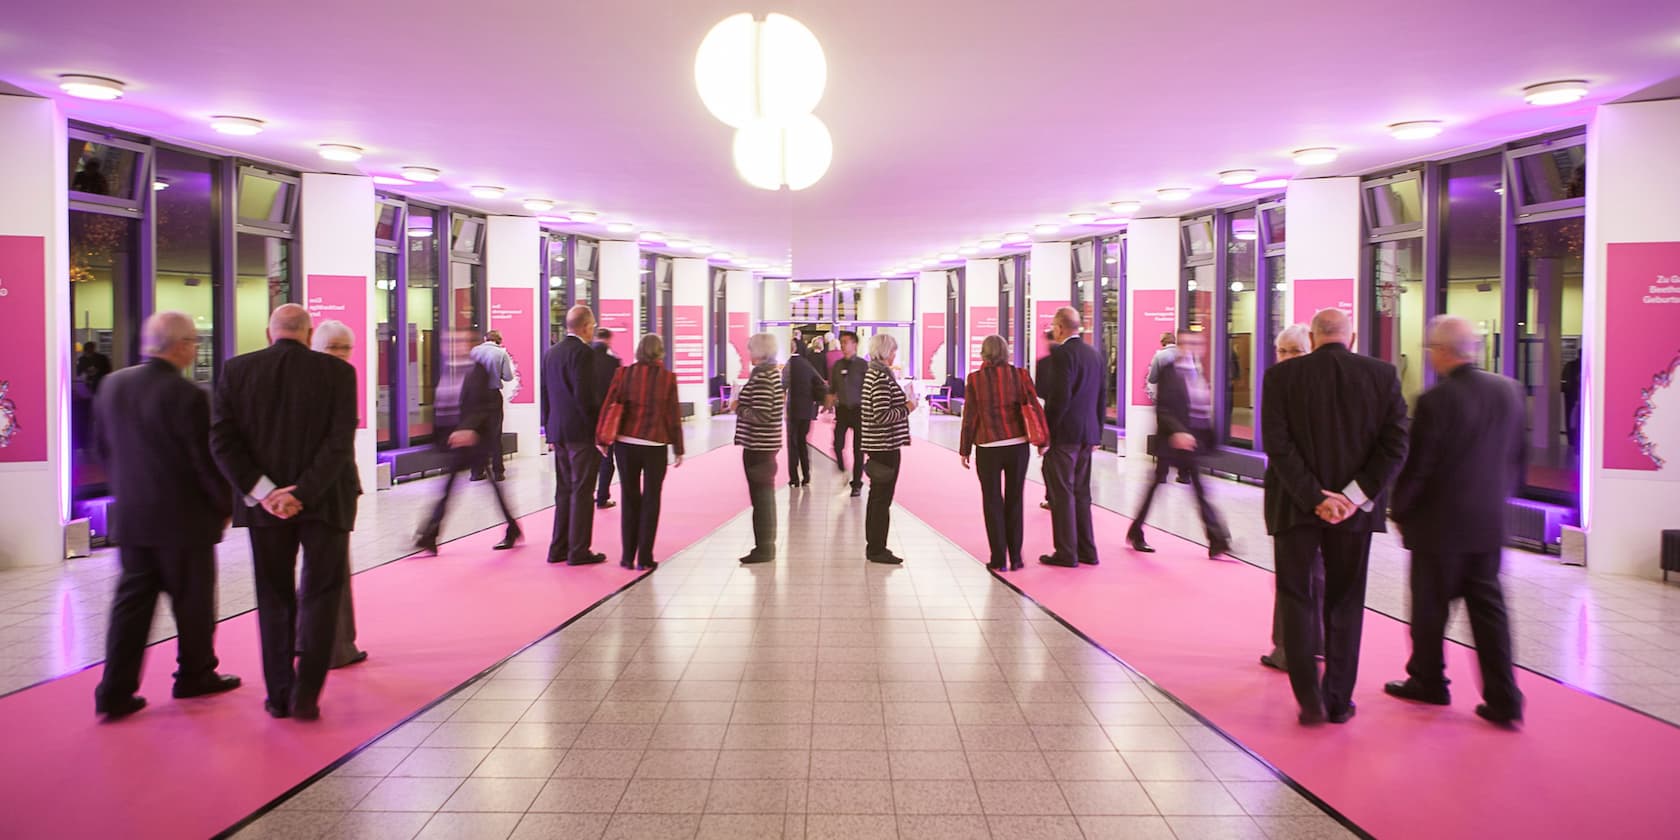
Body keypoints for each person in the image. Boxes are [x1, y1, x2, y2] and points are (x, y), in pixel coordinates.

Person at [1261, 308, 1408, 726]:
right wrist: (1351, 496)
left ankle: (1308, 697)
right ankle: (1339, 700)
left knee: (1295, 596)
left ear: (1312, 335)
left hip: (1294, 507)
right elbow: (1395, 446)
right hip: (1354, 515)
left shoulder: (1281, 378)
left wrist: (1313, 497)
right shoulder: (1382, 376)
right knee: (1345, 600)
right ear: (1353, 336)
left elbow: (1278, 445)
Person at [210, 304, 358, 721]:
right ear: (310, 335)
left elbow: (223, 442)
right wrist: (304, 492)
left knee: (273, 595)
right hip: (325, 502)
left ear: (268, 332)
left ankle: (278, 694)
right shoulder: (339, 374)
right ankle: (307, 694)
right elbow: (338, 442)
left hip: (264, 510)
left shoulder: (236, 371)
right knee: (322, 594)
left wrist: (267, 492)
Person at [92, 312, 240, 720]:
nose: (195, 349)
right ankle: (195, 674)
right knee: (193, 606)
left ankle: (114, 692)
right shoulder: (188, 395)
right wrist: (223, 505)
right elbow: (203, 461)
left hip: (133, 519)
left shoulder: (113, 385)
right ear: (178, 346)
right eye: (193, 342)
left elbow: (102, 448)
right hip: (184, 523)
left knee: (130, 609)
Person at [1384, 315, 1526, 728]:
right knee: (1490, 614)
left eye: (1431, 349)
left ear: (1443, 352)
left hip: (1438, 528)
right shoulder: (1510, 391)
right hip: (1487, 524)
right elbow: (1515, 458)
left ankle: (1428, 680)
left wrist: (1400, 509)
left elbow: (1420, 466)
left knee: (1429, 611)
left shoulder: (1435, 401)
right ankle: (1504, 699)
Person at [415, 328, 523, 554]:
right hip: (455, 438)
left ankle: (430, 534)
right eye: (448, 343)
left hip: (472, 438)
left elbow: (481, 405)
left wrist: (468, 429)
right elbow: (443, 405)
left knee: (453, 487)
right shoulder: (446, 371)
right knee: (468, 486)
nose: (451, 347)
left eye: (457, 342)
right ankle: (511, 526)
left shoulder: (477, 371)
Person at [1127, 328, 1232, 558]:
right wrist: (1178, 432)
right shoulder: (1168, 371)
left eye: (1195, 344)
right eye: (1185, 343)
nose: (1190, 348)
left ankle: (1217, 540)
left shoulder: (1198, 371)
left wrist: (1209, 439)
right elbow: (1163, 407)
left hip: (1191, 442)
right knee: (1157, 486)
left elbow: (1201, 408)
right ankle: (1136, 530)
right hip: (1171, 440)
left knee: (1199, 490)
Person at [1259, 325, 1320, 672]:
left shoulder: (1279, 385)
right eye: (1282, 351)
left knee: (1295, 577)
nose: (1286, 358)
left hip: (1295, 494)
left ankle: (1289, 648)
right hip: (1322, 495)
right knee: (1315, 573)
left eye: (1294, 351)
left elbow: (1279, 446)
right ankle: (1313, 642)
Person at [309, 321, 369, 669]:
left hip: (290, 493)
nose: (344, 356)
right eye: (341, 349)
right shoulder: (340, 379)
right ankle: (336, 646)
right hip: (328, 490)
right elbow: (338, 445)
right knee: (332, 574)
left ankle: (306, 639)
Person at [598, 334, 685, 571]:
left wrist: (602, 438)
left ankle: (627, 556)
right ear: (660, 352)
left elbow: (610, 404)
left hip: (626, 443)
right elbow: (672, 415)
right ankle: (645, 557)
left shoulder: (624, 374)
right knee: (651, 499)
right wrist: (678, 448)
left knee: (629, 496)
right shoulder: (668, 379)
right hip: (655, 445)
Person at [961, 335, 1040, 571]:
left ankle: (998, 558)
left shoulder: (975, 380)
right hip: (1017, 445)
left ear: (983, 353)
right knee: (1015, 498)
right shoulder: (1020, 375)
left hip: (988, 446)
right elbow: (1033, 406)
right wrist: (1042, 439)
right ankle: (1016, 557)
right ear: (1006, 352)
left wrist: (965, 448)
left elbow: (971, 417)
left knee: (992, 500)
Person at [541, 306, 607, 566]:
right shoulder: (584, 354)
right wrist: (598, 432)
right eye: (592, 326)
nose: (593, 331)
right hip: (580, 433)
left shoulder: (551, 353)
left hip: (559, 431)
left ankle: (558, 548)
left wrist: (549, 428)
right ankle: (579, 550)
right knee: (582, 491)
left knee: (564, 490)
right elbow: (585, 397)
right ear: (585, 326)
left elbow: (546, 394)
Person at [1039, 307, 1104, 568]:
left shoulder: (1063, 355)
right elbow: (1101, 397)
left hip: (1064, 435)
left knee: (1061, 493)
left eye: (1054, 325)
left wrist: (1047, 433)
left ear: (1060, 327)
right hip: (1087, 434)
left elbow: (1059, 398)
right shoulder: (1094, 354)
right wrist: (1097, 433)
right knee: (1081, 492)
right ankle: (1087, 550)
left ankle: (1066, 552)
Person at [862, 333, 916, 564]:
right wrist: (908, 407)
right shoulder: (881, 378)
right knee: (881, 499)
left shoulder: (873, 374)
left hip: (879, 445)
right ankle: (877, 548)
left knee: (877, 498)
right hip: (884, 445)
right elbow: (882, 415)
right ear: (885, 352)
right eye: (893, 350)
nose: (895, 354)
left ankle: (874, 546)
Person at [735, 333, 785, 564]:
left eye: (751, 349)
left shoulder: (764, 377)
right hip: (764, 445)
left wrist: (739, 408)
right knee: (763, 497)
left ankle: (764, 547)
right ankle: (765, 546)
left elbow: (763, 414)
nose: (748, 353)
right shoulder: (769, 374)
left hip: (760, 445)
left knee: (762, 499)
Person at [468, 330, 515, 482]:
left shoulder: (475, 351)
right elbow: (508, 376)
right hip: (493, 395)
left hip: (475, 397)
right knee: (495, 434)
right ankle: (498, 472)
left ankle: (476, 471)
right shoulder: (501, 354)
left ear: (485, 338)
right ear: (499, 341)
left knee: (477, 433)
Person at [1146, 332, 1190, 484]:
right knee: (1183, 437)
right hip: (1184, 405)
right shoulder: (1186, 355)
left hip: (1166, 403)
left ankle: (1162, 474)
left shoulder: (1160, 356)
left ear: (1163, 342)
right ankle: (1184, 475)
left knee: (1164, 438)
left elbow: (1152, 378)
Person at [828, 331, 867, 497]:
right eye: (841, 342)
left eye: (846, 342)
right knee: (837, 444)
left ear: (855, 344)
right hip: (843, 410)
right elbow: (832, 389)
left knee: (859, 450)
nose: (843, 346)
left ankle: (856, 484)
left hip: (859, 411)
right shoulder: (837, 366)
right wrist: (827, 403)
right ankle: (843, 469)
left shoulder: (863, 365)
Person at [783, 347, 827, 487]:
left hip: (793, 409)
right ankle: (806, 475)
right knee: (803, 442)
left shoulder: (789, 365)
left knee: (792, 443)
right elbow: (820, 383)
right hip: (807, 409)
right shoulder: (807, 364)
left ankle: (794, 478)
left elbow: (783, 385)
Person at [591, 328, 623, 509]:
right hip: (607, 418)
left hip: (587, 415)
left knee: (587, 459)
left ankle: (585, 496)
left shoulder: (584, 360)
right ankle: (602, 497)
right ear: (609, 340)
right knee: (607, 460)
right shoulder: (613, 363)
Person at [1035, 327, 1062, 511]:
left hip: (1052, 415)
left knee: (1050, 463)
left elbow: (1040, 391)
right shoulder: (1077, 359)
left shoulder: (1044, 363)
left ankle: (1053, 498)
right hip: (1074, 421)